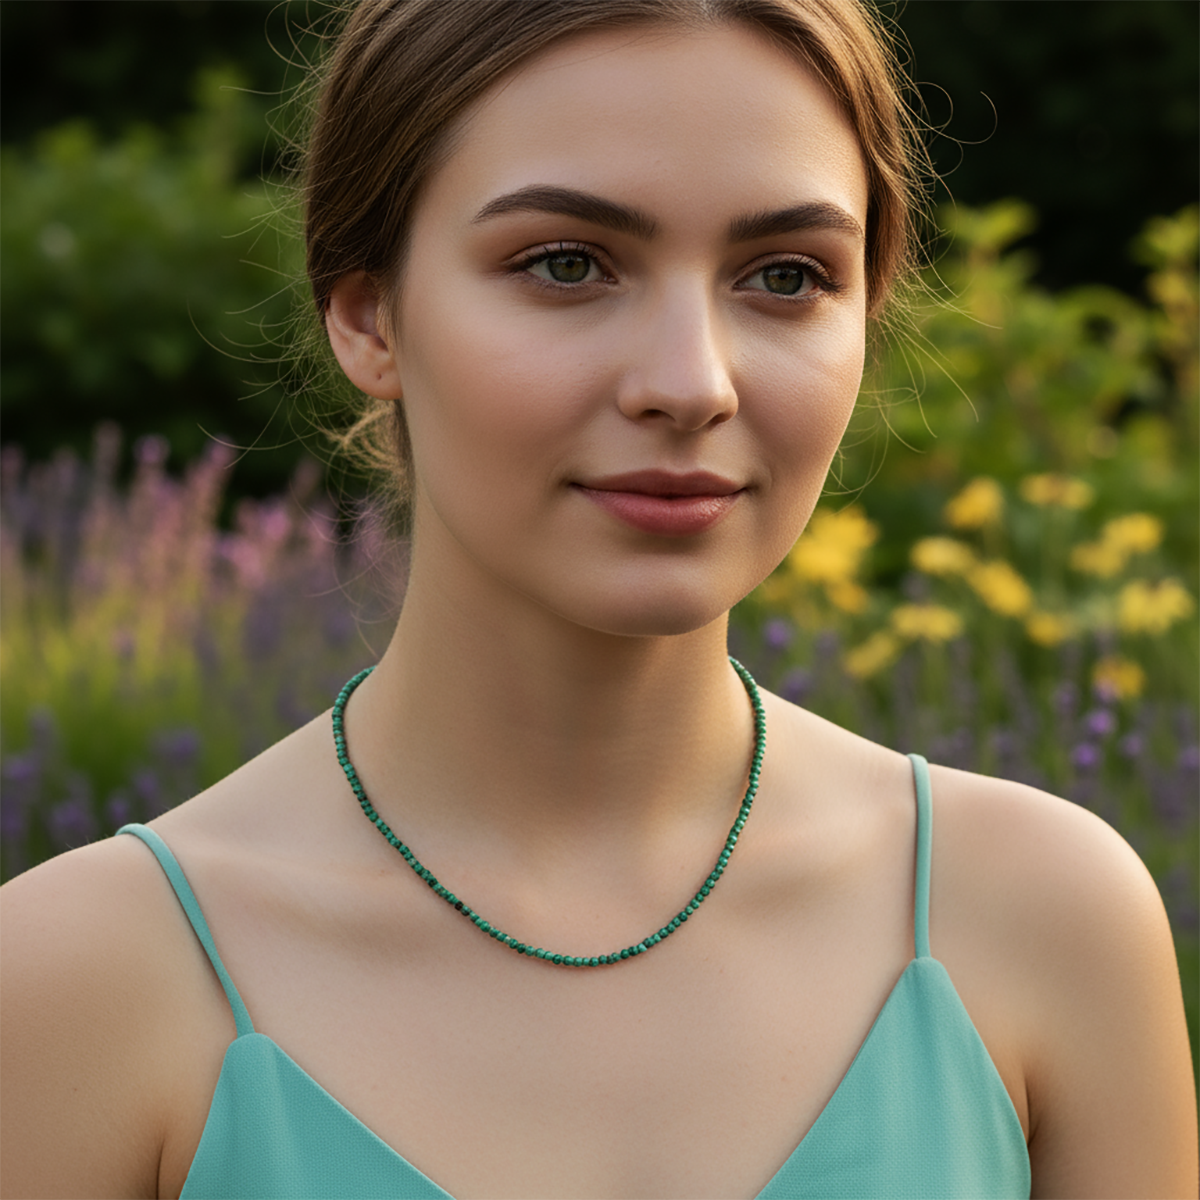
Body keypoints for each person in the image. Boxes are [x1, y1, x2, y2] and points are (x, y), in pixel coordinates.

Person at [0, 0, 1195, 1196]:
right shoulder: (79, 982)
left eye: (786, 276)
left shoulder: (1047, 925)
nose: (692, 383)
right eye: (565, 264)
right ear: (368, 314)